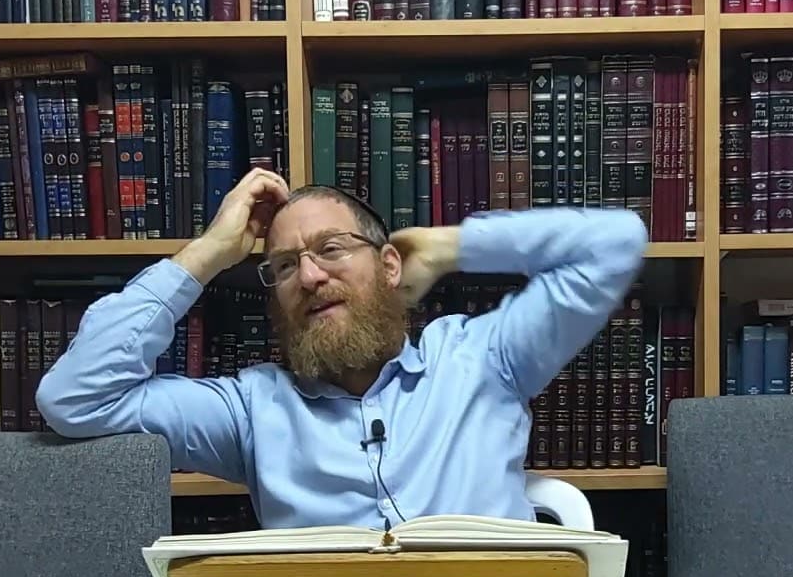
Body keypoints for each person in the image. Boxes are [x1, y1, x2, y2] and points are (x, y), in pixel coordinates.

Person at [36, 168, 648, 530]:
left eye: (331, 249)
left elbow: (615, 243)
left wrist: (454, 246)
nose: (309, 276)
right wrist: (209, 253)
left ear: (389, 266)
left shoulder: (485, 358)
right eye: (284, 266)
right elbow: (76, 398)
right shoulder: (251, 411)